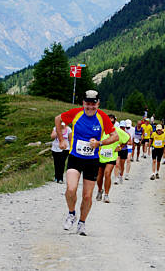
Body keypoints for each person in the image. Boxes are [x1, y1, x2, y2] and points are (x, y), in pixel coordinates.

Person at [55, 90, 118, 236]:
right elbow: (58, 119)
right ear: (83, 103)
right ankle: (71, 213)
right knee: (71, 189)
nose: (90, 107)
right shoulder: (76, 113)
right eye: (88, 103)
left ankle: (82, 223)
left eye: (93, 104)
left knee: (87, 196)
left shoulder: (102, 117)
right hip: (75, 157)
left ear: (98, 103)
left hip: (92, 161)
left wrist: (100, 143)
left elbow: (114, 136)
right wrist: (61, 139)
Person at [96, 114, 130, 203]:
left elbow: (127, 138)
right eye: (108, 121)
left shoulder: (118, 131)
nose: (110, 122)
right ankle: (100, 190)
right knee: (99, 176)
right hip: (100, 156)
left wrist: (121, 147)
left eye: (112, 121)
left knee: (107, 174)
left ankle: (106, 195)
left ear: (115, 121)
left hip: (112, 156)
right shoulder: (101, 130)